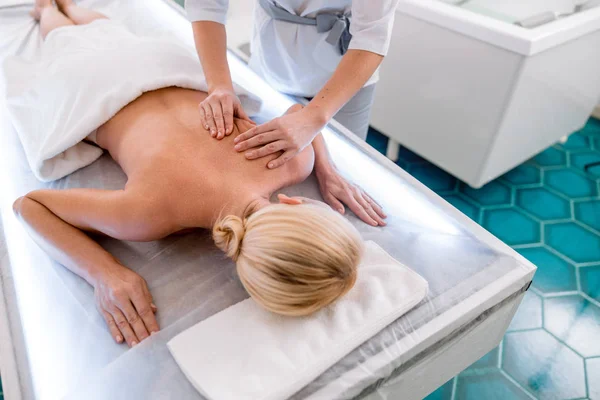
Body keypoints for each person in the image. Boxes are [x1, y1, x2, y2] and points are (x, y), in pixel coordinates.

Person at [12, 0, 386, 348]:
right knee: (63, 36)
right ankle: (50, 10)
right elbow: (29, 205)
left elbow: (297, 120)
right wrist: (104, 272)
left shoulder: (292, 161)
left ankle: (57, 6)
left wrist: (324, 166)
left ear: (296, 203)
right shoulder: (147, 216)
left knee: (100, 32)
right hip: (95, 82)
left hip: (158, 62)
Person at [186, 0, 399, 169]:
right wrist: (219, 85)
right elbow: (206, 5)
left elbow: (372, 36)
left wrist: (313, 118)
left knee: (345, 176)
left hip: (346, 79)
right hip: (269, 67)